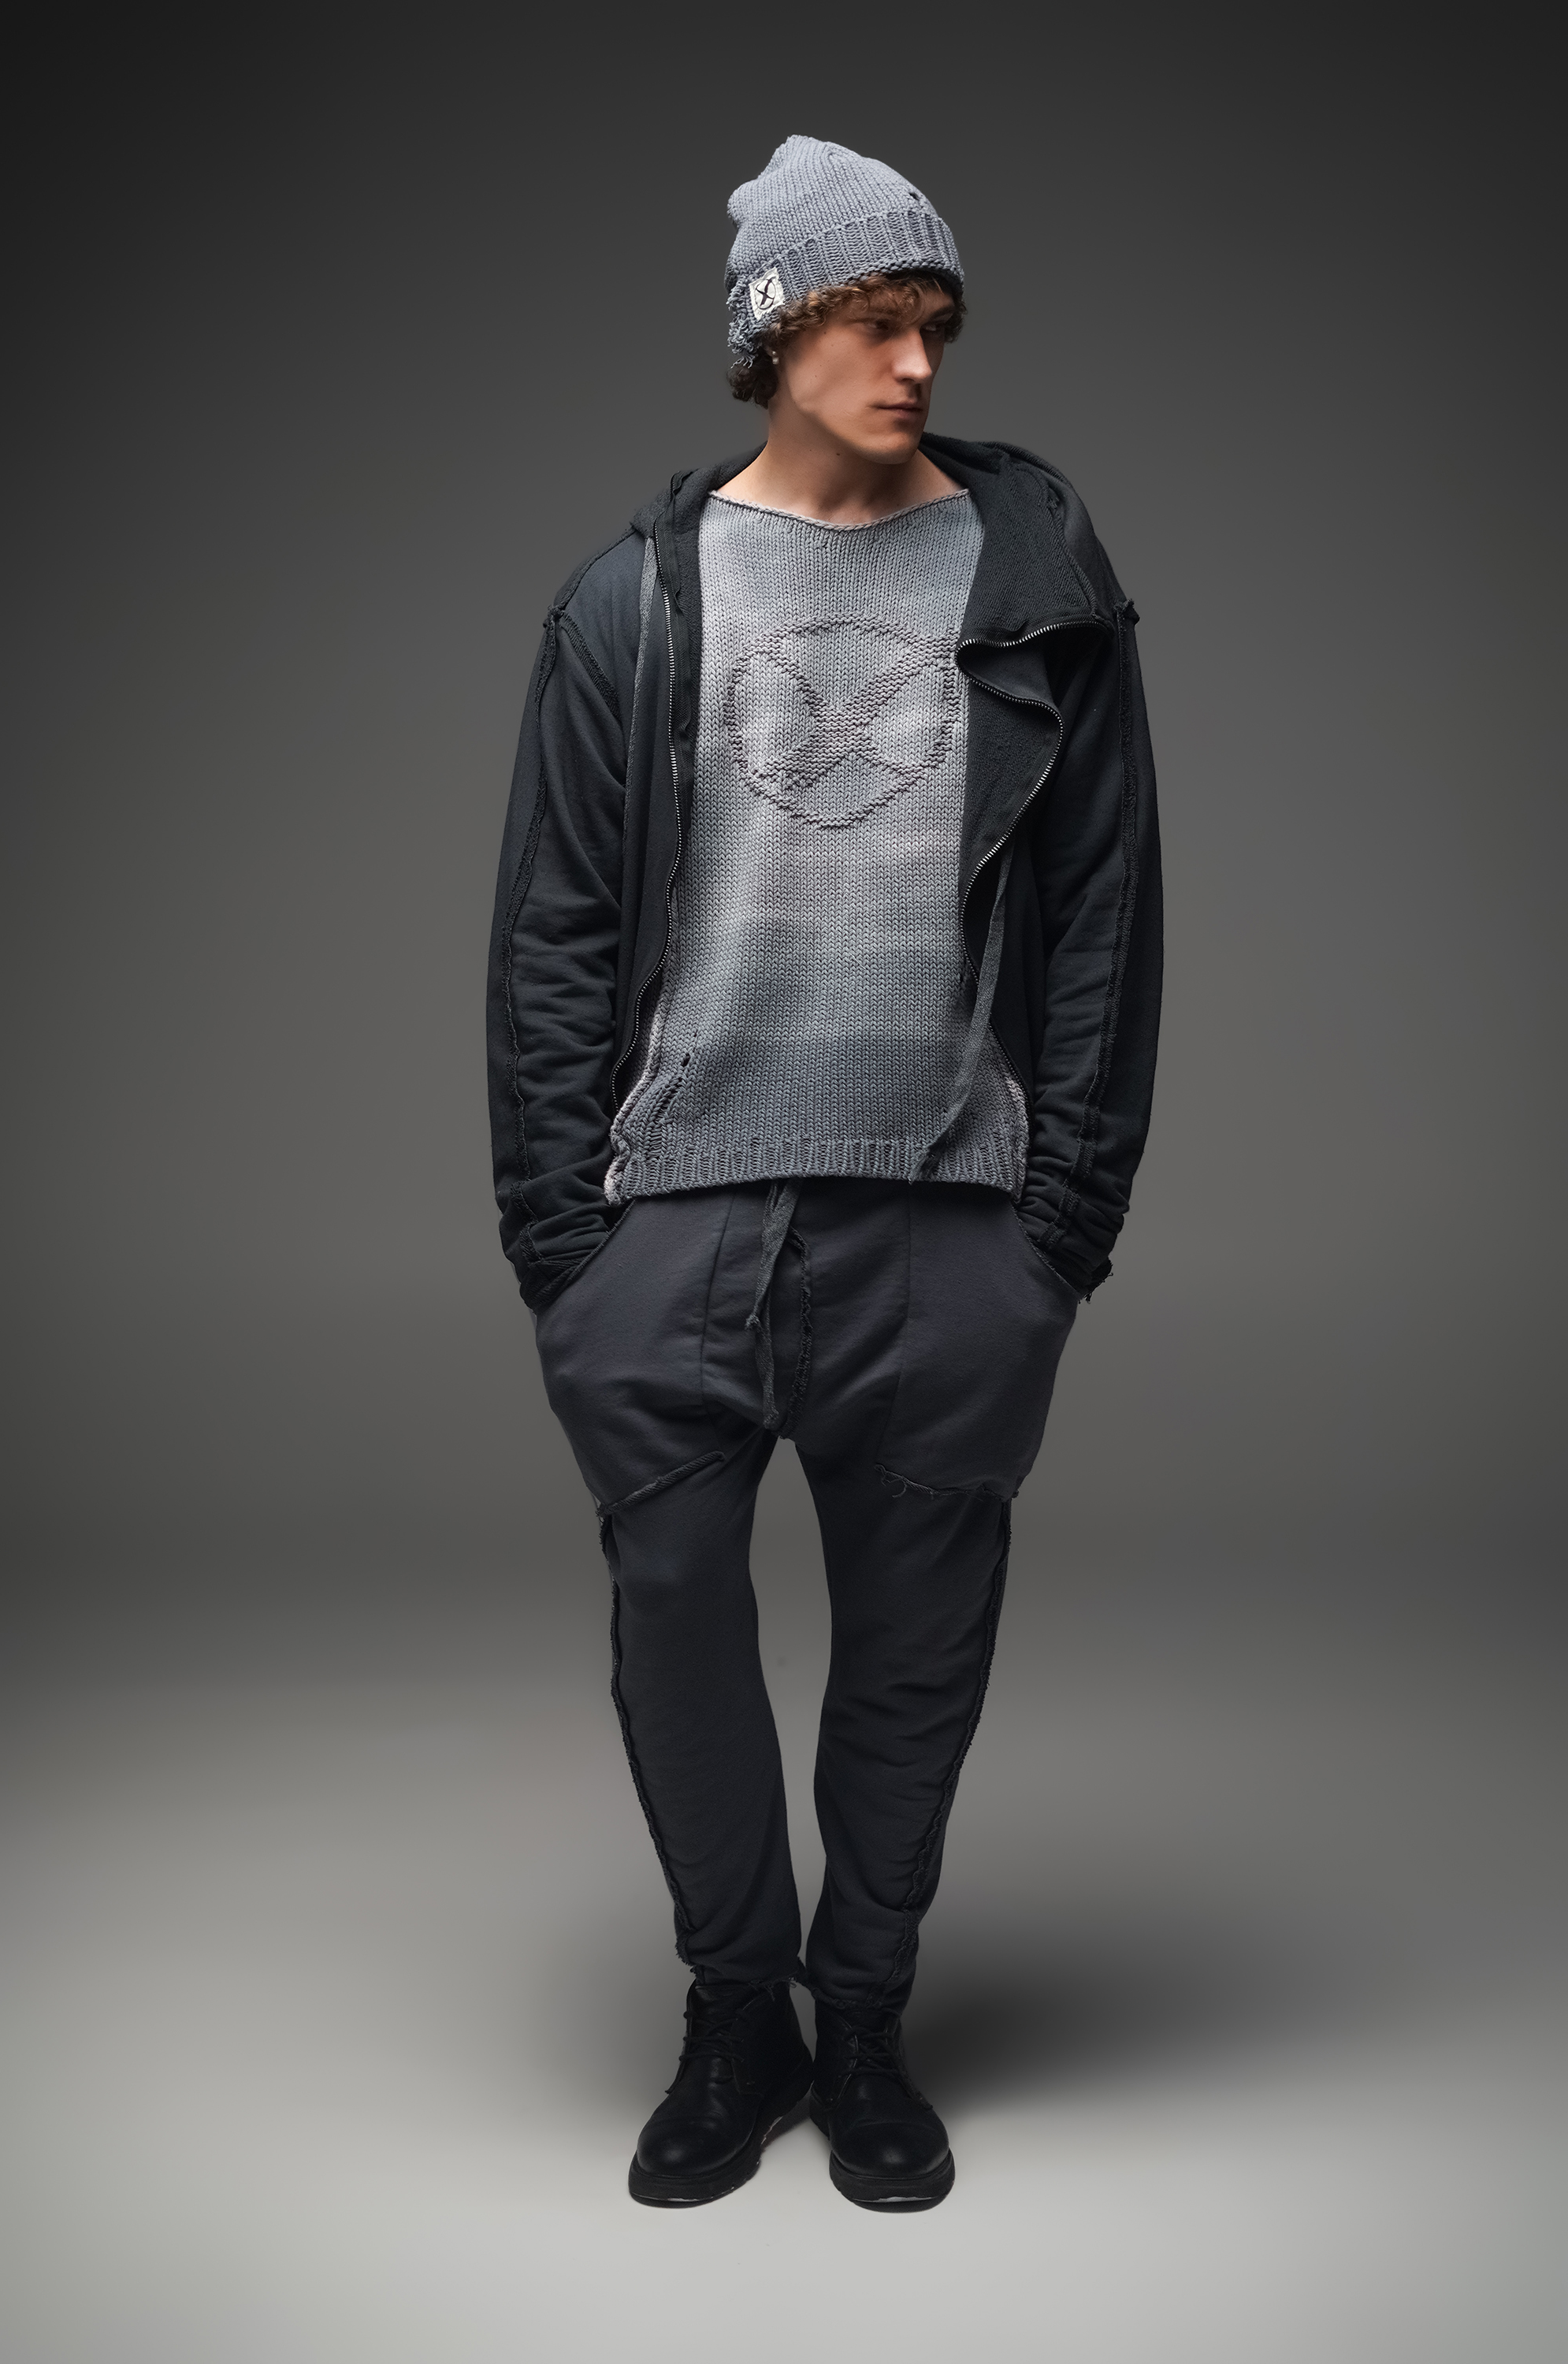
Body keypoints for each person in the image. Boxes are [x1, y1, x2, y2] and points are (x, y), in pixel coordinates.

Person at [486, 134, 1161, 2210]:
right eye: (872, 320)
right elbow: (555, 931)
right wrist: (563, 1244)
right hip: (673, 1221)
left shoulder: (1038, 589)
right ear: (773, 335)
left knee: (914, 1666)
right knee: (677, 1635)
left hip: (948, 1219)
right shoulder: (633, 601)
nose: (914, 361)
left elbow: (1107, 918)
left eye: (933, 322)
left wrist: (1060, 1231)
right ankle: (735, 2019)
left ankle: (864, 2023)